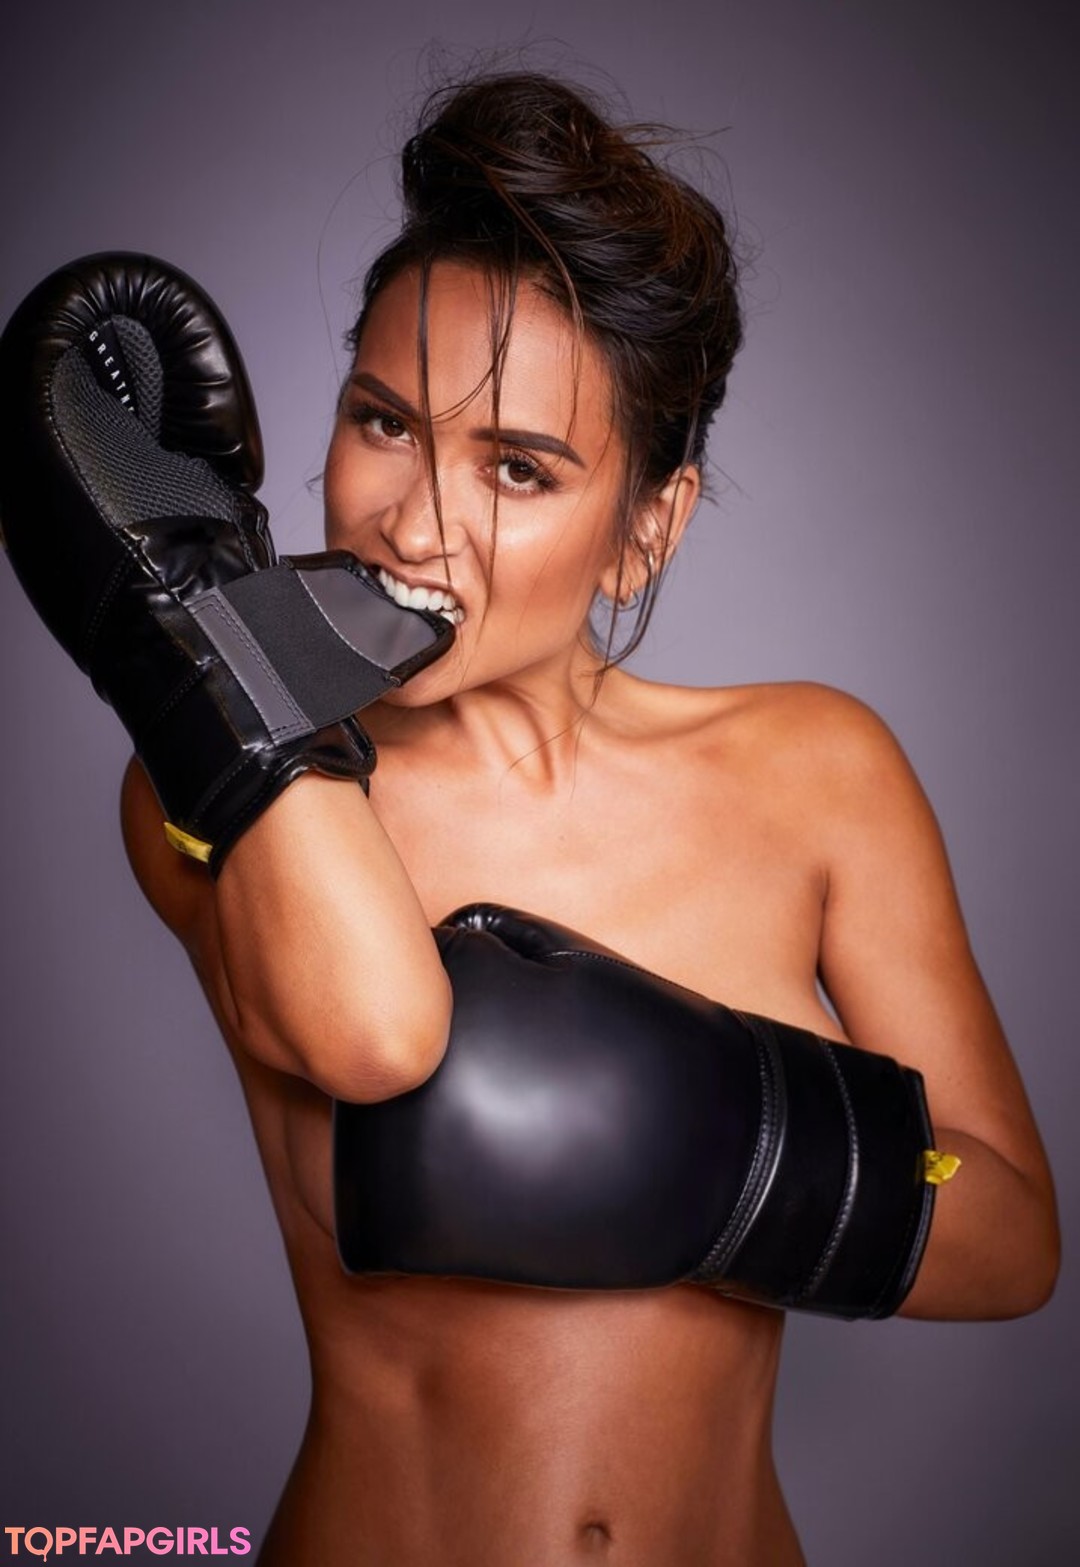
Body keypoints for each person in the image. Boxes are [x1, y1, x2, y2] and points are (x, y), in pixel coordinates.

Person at [1, 71, 1059, 1567]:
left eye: (518, 467)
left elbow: (1012, 1241)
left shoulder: (820, 771)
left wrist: (710, 1151)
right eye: (383, 421)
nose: (416, 523)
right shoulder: (238, 779)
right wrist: (211, 650)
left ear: (646, 529)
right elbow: (377, 1038)